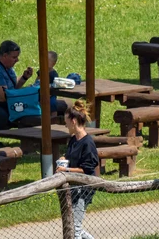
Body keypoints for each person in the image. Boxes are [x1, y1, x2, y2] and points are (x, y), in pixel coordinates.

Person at [56, 100, 99, 239]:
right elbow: (69, 157)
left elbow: (87, 169)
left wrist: (67, 171)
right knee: (75, 227)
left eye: (66, 121)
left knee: (75, 229)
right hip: (74, 187)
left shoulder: (88, 143)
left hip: (84, 189)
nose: (65, 124)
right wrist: (63, 159)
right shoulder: (74, 139)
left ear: (73, 121)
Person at [34, 50, 64, 119]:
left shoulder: (53, 74)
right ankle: (41, 116)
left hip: (51, 93)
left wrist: (49, 94)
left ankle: (54, 117)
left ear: (53, 64)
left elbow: (55, 85)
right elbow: (37, 79)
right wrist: (35, 85)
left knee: (52, 103)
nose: (44, 62)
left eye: (47, 61)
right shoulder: (41, 70)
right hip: (41, 91)